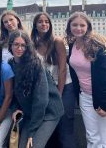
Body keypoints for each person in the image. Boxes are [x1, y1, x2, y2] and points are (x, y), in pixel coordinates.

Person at [65, 12, 106, 148]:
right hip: (85, 96)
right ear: (69, 27)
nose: (78, 28)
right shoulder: (72, 45)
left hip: (102, 97)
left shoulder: (97, 46)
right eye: (74, 25)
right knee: (92, 137)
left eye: (82, 25)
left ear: (88, 27)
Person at [8, 30, 64, 148]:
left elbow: (41, 100)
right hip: (31, 113)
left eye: (23, 45)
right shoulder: (10, 65)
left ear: (28, 47)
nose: (19, 48)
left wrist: (31, 132)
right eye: (16, 44)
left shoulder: (35, 65)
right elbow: (11, 92)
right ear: (10, 46)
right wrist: (15, 108)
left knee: (33, 146)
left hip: (49, 112)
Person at [31, 13, 76, 148]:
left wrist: (59, 94)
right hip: (45, 89)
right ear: (35, 25)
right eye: (40, 22)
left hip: (64, 87)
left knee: (65, 128)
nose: (44, 24)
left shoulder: (57, 41)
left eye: (46, 22)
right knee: (48, 128)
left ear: (50, 25)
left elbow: (62, 70)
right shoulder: (32, 43)